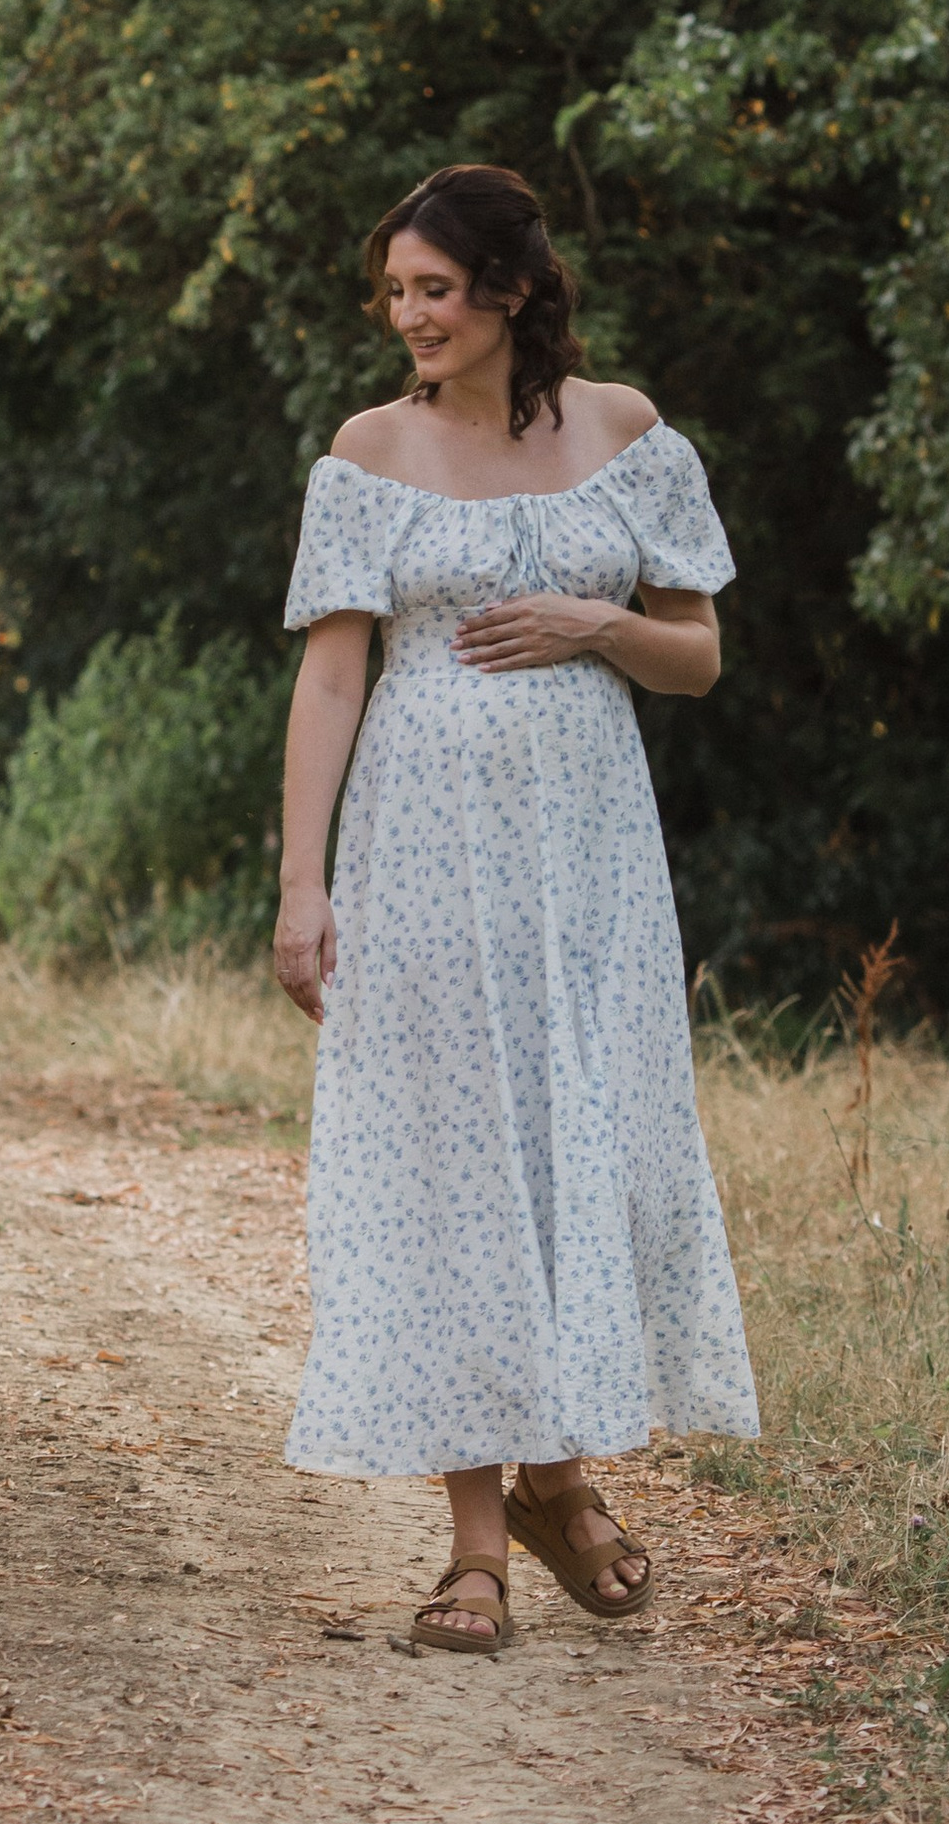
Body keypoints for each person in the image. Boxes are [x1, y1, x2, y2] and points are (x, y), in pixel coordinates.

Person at [272, 163, 756, 1654]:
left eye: (433, 289)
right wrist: (301, 881)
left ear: (513, 289)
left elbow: (698, 655)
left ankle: (559, 1481)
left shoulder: (625, 433)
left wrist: (595, 622)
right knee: (453, 1165)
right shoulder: (370, 450)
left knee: (572, 1145)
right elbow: (333, 674)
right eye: (395, 293)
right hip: (421, 851)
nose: (408, 317)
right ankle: (478, 1543)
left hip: (590, 862)